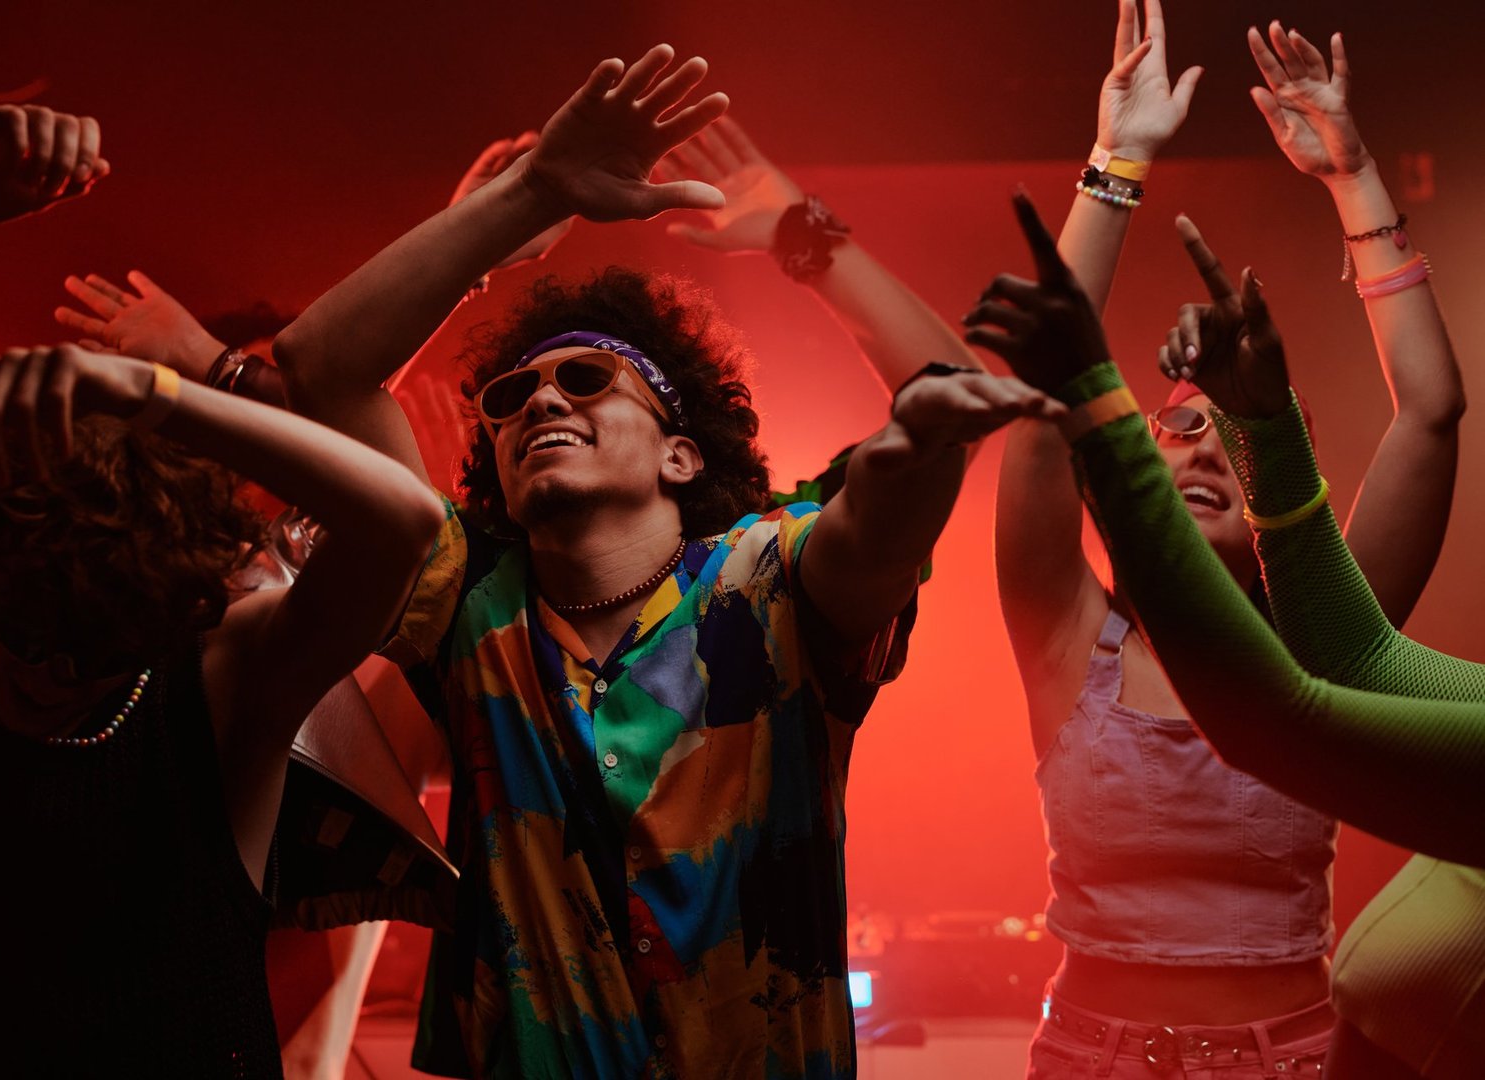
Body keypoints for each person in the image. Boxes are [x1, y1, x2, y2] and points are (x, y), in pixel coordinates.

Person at [273, 45, 1061, 1077]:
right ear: (499, 470)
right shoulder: (467, 600)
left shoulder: (774, 584)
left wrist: (798, 237)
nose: (542, 402)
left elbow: (947, 404)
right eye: (509, 401)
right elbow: (319, 366)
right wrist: (524, 202)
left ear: (682, 453)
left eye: (589, 378)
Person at [0, 114, 444, 1068]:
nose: (50, 672)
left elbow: (406, 521)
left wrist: (158, 391)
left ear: (172, 616)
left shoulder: (221, 692)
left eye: (98, 652)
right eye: (24, 627)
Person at [988, 9, 1464, 1078]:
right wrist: (1118, 160)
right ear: (1117, 482)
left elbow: (1431, 411)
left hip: (1292, 1061)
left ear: (1270, 474)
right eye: (1165, 428)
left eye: (1221, 427)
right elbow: (1038, 403)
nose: (1193, 445)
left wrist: (1353, 176)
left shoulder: (1332, 638)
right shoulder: (1067, 633)